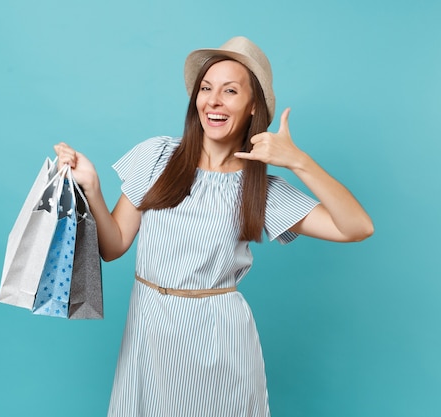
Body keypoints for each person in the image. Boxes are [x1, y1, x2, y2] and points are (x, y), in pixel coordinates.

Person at [54, 36, 373, 417]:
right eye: (206, 89)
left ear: (253, 105)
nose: (213, 101)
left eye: (230, 91)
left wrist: (299, 162)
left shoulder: (260, 191)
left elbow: (357, 227)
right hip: (149, 332)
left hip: (219, 343)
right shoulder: (158, 157)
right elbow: (114, 245)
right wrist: (91, 186)